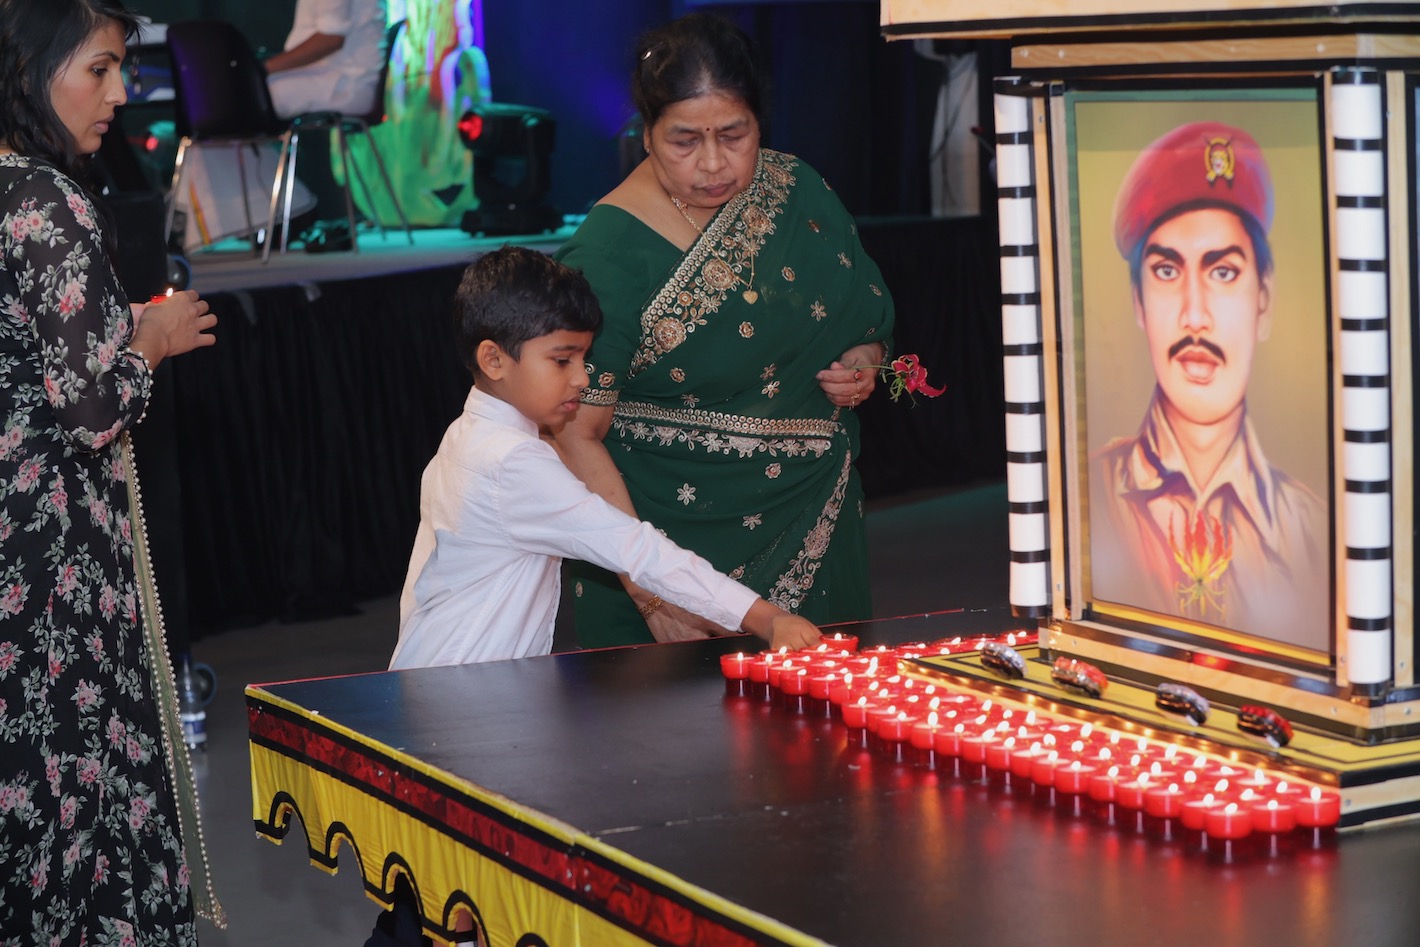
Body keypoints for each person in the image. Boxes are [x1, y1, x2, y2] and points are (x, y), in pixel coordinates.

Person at [553, 13, 895, 650]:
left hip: (816, 516)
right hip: (670, 547)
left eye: (735, 135)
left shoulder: (796, 190)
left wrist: (864, 357)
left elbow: (863, 311)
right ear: (646, 133)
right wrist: (654, 590)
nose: (714, 164)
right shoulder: (609, 256)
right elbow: (573, 432)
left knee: (828, 706)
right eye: (684, 141)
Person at [0, 0, 223, 941]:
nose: (119, 93)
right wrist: (154, 338)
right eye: (98, 69)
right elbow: (91, 411)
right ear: (30, 70)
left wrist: (110, 327)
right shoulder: (46, 200)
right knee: (73, 790)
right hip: (51, 558)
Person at [388, 246, 823, 671]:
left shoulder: (467, 435)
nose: (582, 378)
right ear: (493, 359)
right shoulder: (511, 461)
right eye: (562, 360)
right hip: (464, 686)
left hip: (435, 671)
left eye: (584, 358)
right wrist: (766, 618)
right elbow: (637, 549)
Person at [1089, 120, 1328, 650]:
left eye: (1223, 273)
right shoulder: (1091, 501)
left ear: (1263, 300)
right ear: (1138, 303)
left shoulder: (1314, 532)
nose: (1194, 316)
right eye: (1167, 271)